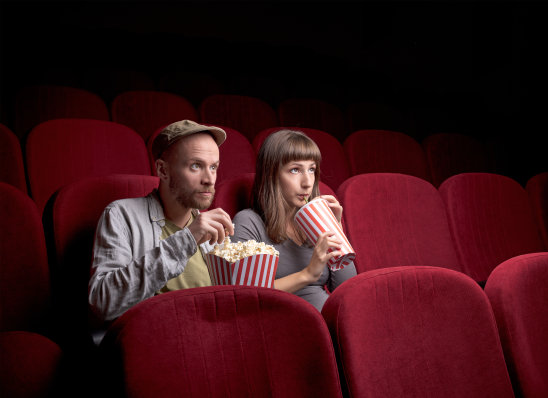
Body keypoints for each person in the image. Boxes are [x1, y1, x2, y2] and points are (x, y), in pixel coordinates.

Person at [88, 120, 235, 323]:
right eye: (196, 166)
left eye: (213, 167)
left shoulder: (212, 226)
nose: (209, 179)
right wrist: (187, 239)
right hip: (159, 338)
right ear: (162, 170)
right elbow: (103, 302)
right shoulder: (120, 215)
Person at [232, 129, 356, 311]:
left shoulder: (315, 224)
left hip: (328, 321)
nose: (307, 182)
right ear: (271, 175)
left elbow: (348, 290)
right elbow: (244, 295)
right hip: (282, 324)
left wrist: (336, 230)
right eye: (295, 170)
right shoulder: (248, 221)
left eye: (312, 169)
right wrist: (307, 274)